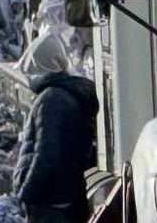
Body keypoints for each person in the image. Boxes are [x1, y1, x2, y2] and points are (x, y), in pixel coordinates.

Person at [13, 36, 100, 223]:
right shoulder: (68, 94)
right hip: (67, 196)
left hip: (49, 201)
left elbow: (46, 154)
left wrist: (26, 193)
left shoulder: (51, 99)